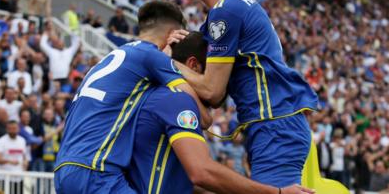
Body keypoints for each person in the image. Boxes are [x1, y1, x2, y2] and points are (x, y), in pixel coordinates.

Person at [175, 0, 318, 187]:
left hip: (275, 127)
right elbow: (215, 97)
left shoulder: (227, 10)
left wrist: (165, 62)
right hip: (272, 126)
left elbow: (211, 90)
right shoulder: (231, 8)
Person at [128, 32, 314, 194]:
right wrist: (277, 192)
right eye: (213, 73)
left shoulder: (157, 93)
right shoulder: (175, 98)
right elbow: (201, 173)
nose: (221, 87)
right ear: (192, 65)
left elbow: (186, 182)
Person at [54, 1, 211, 193]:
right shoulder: (151, 56)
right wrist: (170, 60)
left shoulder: (111, 58)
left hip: (64, 168)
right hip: (96, 170)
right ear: (172, 34)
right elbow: (203, 118)